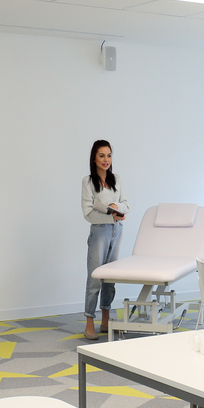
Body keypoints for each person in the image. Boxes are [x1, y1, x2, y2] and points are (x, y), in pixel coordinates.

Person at [81, 139, 128, 341]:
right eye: (101, 155)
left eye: (109, 155)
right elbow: (88, 212)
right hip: (99, 231)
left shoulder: (115, 179)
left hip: (116, 231)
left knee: (110, 277)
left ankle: (106, 320)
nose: (106, 159)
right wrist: (110, 214)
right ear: (94, 158)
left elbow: (126, 204)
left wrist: (118, 210)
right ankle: (89, 322)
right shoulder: (88, 182)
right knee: (95, 278)